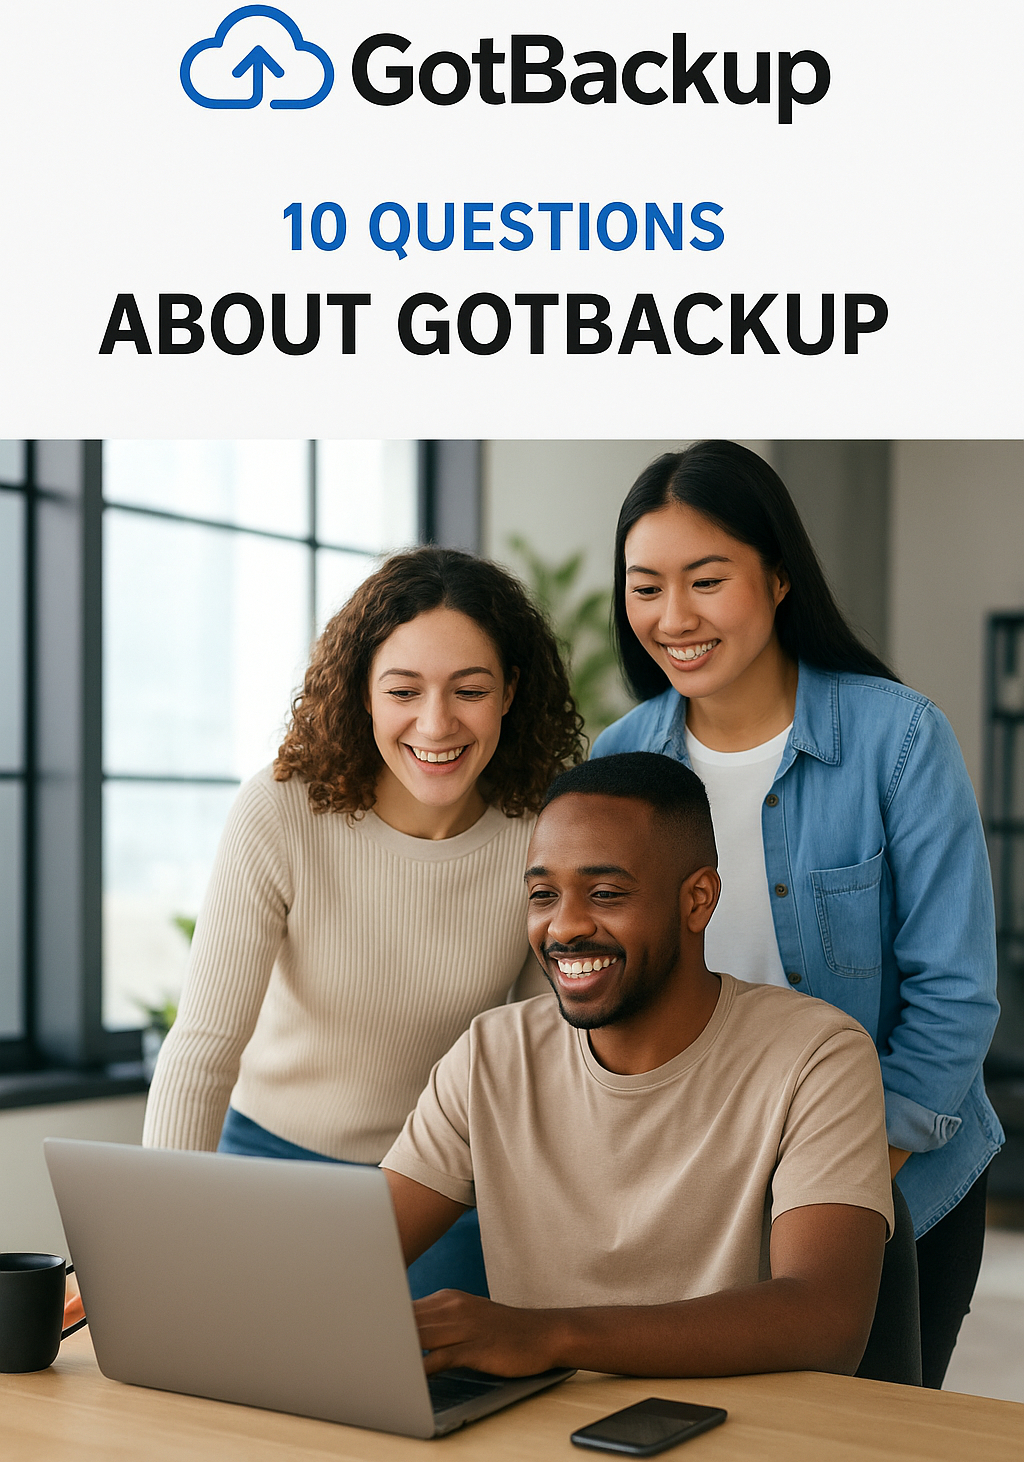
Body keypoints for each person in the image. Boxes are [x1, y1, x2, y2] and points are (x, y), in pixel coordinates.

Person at [590, 441, 1002, 1387]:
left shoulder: (896, 739)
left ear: (777, 577)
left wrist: (844, 1180)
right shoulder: (622, 759)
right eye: (644, 586)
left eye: (706, 579)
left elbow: (955, 997)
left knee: (867, 1436)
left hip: (896, 1168)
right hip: (696, 1179)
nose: (673, 617)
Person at [143, 546, 584, 1298]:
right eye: (403, 690)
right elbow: (205, 1047)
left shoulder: (542, 832)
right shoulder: (281, 812)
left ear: (510, 691)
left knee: (443, 1402)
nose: (436, 723)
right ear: (364, 694)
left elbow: (553, 1050)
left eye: (468, 690)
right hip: (270, 1165)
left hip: (442, 1185)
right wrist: (152, 1239)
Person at [381, 753, 894, 1379]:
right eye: (543, 894)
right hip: (539, 1433)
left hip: (739, 1431)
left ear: (698, 901)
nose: (564, 926)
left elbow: (824, 1321)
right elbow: (356, 1251)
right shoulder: (494, 1052)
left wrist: (552, 1336)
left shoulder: (817, 1056)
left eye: (606, 893)